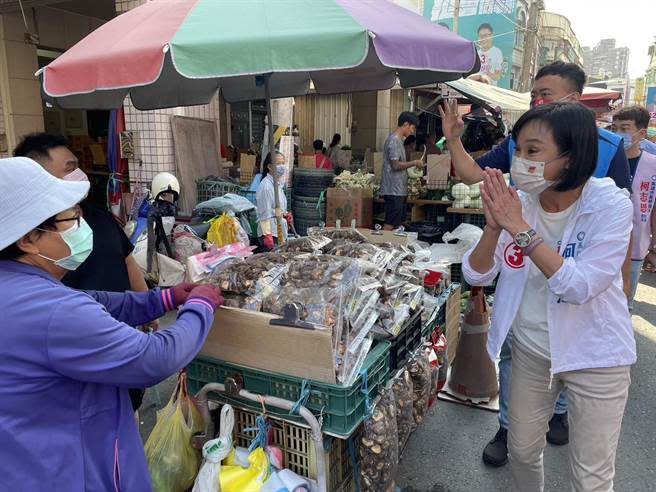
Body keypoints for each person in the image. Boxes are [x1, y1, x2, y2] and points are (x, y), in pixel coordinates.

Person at [440, 61, 632, 466]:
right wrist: (455, 142)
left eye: (545, 94)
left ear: (573, 99)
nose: (537, 100)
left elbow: (596, 267)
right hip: (527, 330)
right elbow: (478, 179)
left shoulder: (608, 165)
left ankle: (557, 414)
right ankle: (510, 427)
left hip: (588, 337)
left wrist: (621, 286)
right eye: (533, 95)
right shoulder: (522, 181)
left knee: (591, 467)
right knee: (524, 446)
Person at [0, 156, 224, 491]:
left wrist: (163, 299)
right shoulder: (52, 309)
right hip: (69, 472)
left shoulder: (19, 289)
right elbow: (155, 358)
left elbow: (95, 302)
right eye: (72, 219)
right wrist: (200, 306)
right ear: (29, 238)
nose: (82, 226)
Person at [14, 133, 154, 412]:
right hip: (85, 351)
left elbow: (126, 261)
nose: (79, 175)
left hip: (123, 336)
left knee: (126, 412)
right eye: (69, 168)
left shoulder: (99, 217)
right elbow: (160, 359)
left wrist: (150, 306)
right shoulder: (35, 239)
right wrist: (198, 307)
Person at [612, 106, 656, 295]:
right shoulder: (605, 159)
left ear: (642, 132)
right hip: (603, 241)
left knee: (625, 302)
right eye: (615, 129)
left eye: (625, 128)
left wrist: (654, 248)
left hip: (636, 245)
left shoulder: (652, 164)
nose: (619, 134)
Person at [381, 112, 424, 231]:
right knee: (390, 224)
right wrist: (414, 163)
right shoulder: (394, 140)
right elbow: (395, 165)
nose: (413, 131)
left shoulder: (399, 140)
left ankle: (393, 247)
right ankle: (380, 246)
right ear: (405, 124)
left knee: (397, 224)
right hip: (393, 189)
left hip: (398, 189)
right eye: (412, 127)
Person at [256, 151, 291, 250]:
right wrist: (267, 235)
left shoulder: (277, 184)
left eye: (283, 163)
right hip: (270, 232)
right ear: (270, 167)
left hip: (278, 229)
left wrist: (285, 214)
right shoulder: (266, 187)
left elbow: (276, 207)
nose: (282, 167)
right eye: (278, 163)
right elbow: (264, 213)